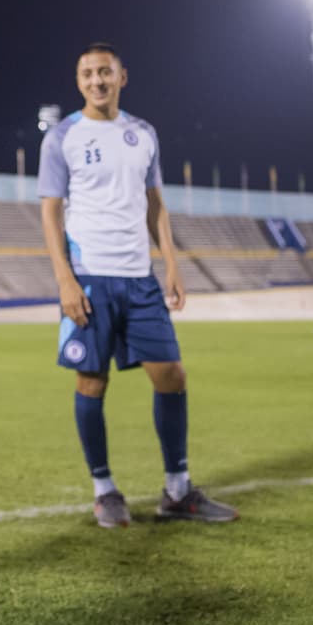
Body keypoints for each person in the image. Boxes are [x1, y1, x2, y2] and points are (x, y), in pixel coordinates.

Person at [36, 42, 236, 529]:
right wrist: (64, 277)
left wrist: (171, 263)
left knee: (171, 374)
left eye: (105, 72)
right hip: (89, 279)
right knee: (92, 381)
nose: (96, 81)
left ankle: (178, 489)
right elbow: (50, 210)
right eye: (87, 74)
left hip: (140, 278)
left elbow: (155, 204)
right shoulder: (62, 138)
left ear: (123, 77)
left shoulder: (143, 134)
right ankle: (104, 491)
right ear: (78, 80)